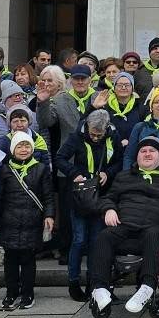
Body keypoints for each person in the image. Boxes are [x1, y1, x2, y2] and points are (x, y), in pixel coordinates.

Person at [88, 137, 159, 314]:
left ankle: (147, 287)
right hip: (125, 225)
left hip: (155, 227)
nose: (147, 154)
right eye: (143, 151)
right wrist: (109, 209)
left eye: (151, 151)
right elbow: (107, 198)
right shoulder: (124, 176)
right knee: (104, 236)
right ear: (137, 156)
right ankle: (100, 288)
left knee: (151, 235)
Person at [59, 109, 122, 301]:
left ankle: (96, 283)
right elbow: (60, 158)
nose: (95, 138)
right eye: (92, 134)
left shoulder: (113, 136)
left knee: (97, 242)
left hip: (102, 196)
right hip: (81, 195)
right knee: (79, 240)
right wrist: (74, 173)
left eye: (99, 135)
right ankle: (74, 281)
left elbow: (120, 160)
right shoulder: (76, 136)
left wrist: (107, 173)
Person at [0, 132, 56, 310]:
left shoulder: (41, 168)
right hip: (9, 221)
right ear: (13, 149)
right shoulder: (4, 170)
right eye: (19, 146)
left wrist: (49, 215)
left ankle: (28, 293)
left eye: (27, 146)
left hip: (32, 220)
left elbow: (48, 196)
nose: (24, 150)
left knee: (28, 259)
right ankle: (11, 293)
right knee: (10, 260)